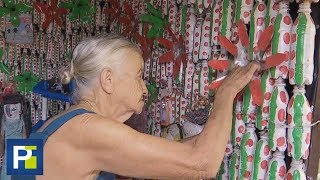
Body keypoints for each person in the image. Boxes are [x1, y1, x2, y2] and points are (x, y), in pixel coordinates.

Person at [24, 34, 260, 180]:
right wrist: (226, 92)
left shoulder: (50, 126)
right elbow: (202, 164)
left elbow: (15, 173)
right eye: (138, 76)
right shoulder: (89, 130)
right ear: (108, 80)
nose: (145, 89)